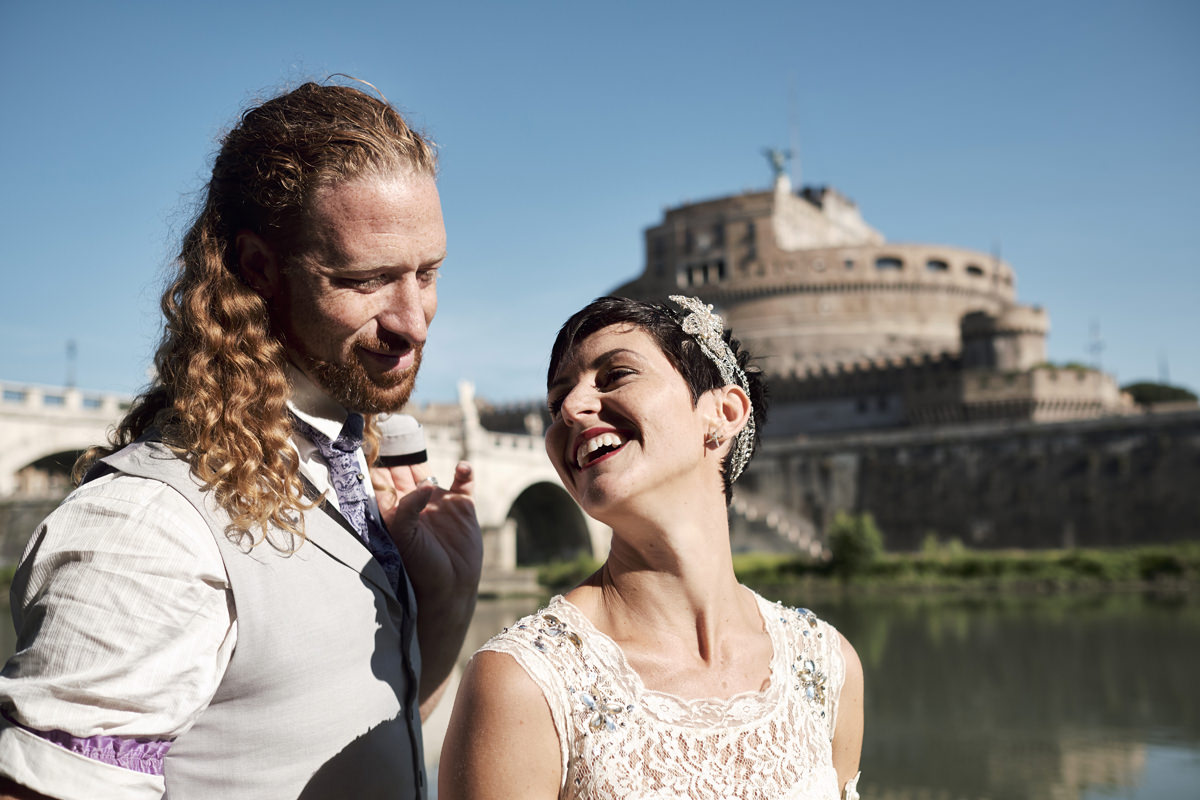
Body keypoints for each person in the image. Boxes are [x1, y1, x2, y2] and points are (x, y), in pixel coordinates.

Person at [0, 80, 482, 800]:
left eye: (427, 272)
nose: (413, 321)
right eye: (367, 280)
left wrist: (443, 605)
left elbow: (348, 739)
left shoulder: (345, 466)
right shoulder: (145, 528)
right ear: (257, 268)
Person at [440, 296, 863, 799]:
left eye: (615, 374)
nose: (571, 409)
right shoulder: (521, 684)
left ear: (723, 413)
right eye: (557, 403)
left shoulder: (825, 667)